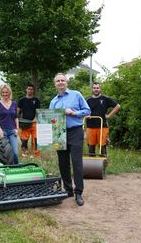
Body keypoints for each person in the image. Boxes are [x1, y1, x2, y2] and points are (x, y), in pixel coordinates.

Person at [49, 73, 90, 206]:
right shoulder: (53, 101)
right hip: (59, 133)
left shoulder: (76, 94)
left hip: (75, 131)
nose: (60, 83)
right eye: (58, 81)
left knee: (77, 163)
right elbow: (49, 119)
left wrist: (74, 113)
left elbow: (87, 110)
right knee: (63, 163)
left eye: (62, 80)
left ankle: (78, 192)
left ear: (67, 82)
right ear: (55, 84)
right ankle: (68, 190)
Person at [86, 82, 120, 157]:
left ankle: (102, 166)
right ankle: (92, 166)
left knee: (102, 146)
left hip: (102, 126)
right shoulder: (88, 100)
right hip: (90, 126)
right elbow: (82, 110)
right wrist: (86, 115)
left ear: (100, 89)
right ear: (92, 89)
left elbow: (118, 106)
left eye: (97, 88)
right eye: (94, 88)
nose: (96, 89)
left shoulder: (105, 99)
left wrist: (109, 116)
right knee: (91, 147)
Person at [0, 84, 19, 164]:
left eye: (6, 92)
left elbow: (16, 117)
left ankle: (16, 168)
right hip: (3, 131)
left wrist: (17, 129)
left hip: (12, 131)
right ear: (1, 93)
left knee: (15, 152)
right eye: (3, 92)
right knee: (5, 153)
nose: (5, 94)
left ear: (9, 93)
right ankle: (7, 168)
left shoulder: (14, 103)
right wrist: (0, 130)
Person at [17, 84, 40, 158]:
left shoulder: (36, 100)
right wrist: (17, 119)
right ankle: (25, 152)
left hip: (34, 122)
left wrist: (35, 119)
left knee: (36, 138)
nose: (30, 90)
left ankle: (36, 153)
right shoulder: (21, 100)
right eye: (28, 89)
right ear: (26, 90)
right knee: (24, 139)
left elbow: (38, 111)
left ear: (33, 91)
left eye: (31, 89)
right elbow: (17, 111)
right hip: (25, 123)